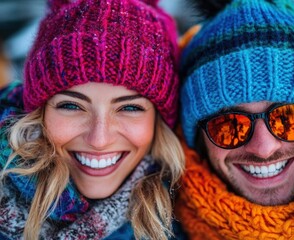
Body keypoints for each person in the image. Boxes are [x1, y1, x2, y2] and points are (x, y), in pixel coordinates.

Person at [0, 0, 185, 239]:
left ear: (158, 120)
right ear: (39, 112)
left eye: (129, 107)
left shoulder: (184, 219)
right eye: (71, 105)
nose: (99, 139)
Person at [175, 0, 294, 239]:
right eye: (230, 125)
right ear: (199, 138)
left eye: (289, 117)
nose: (264, 148)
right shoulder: (157, 224)